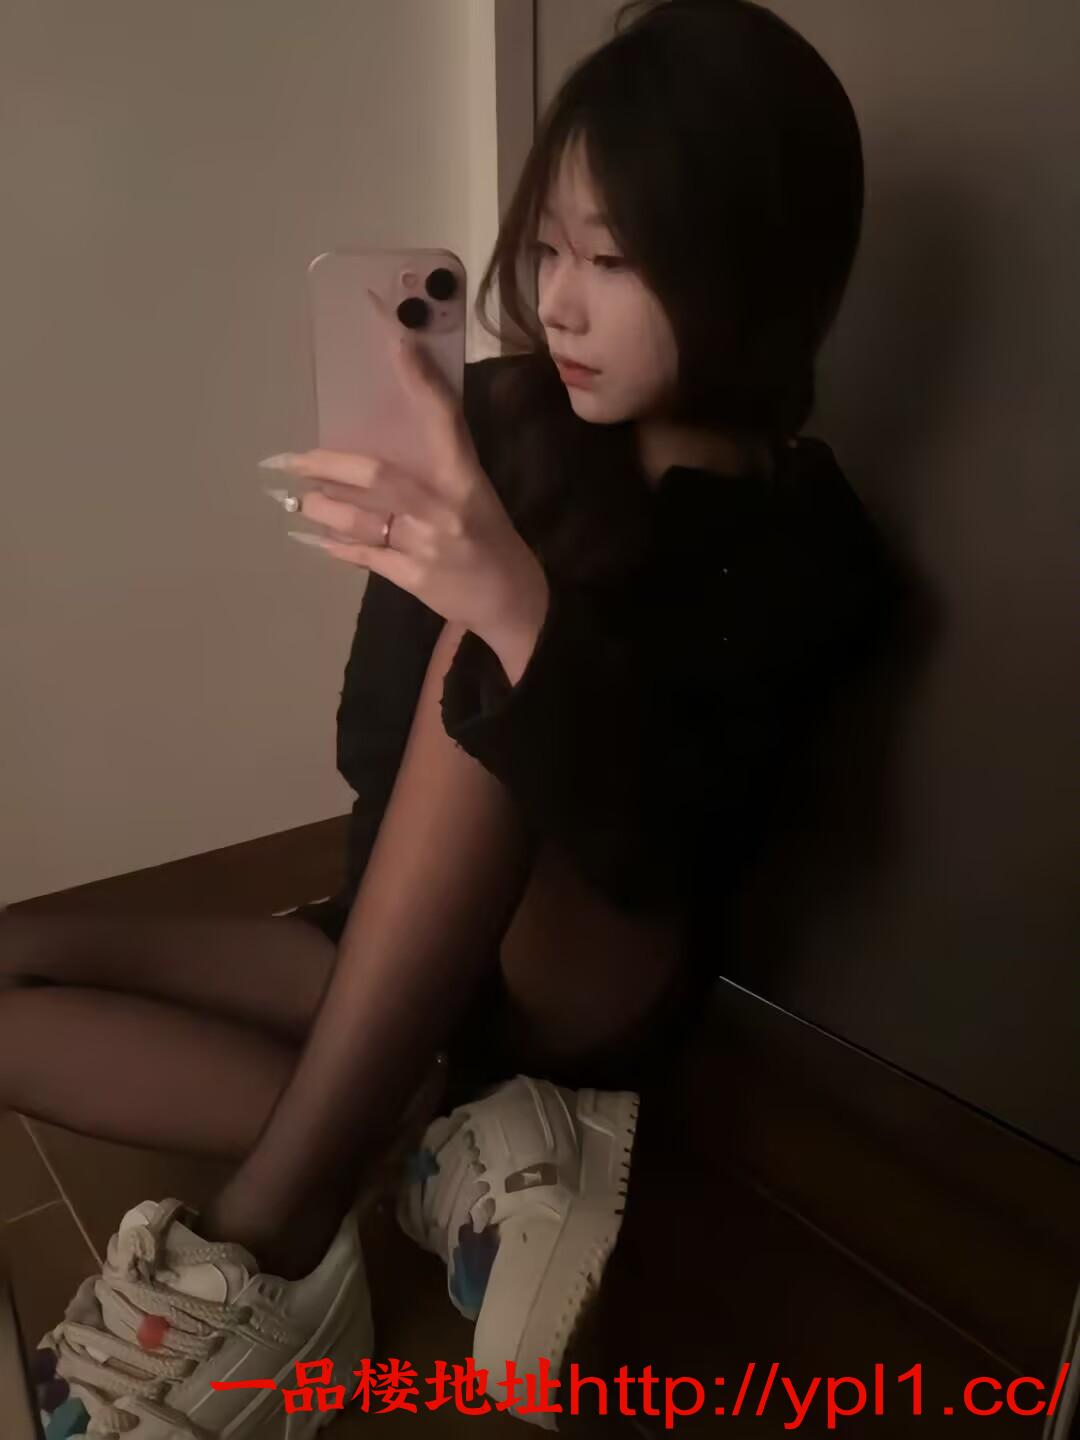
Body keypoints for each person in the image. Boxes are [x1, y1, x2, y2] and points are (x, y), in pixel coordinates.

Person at [1, 1, 898, 1434]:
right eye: (547, 249)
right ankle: (433, 1136)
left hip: (582, 981)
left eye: (613, 260)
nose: (561, 302)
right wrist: (414, 572)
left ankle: (268, 1246)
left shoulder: (808, 541)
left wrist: (515, 608)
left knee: (494, 646)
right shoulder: (504, 421)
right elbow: (374, 763)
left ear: (751, 267)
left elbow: (670, 851)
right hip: (394, 954)